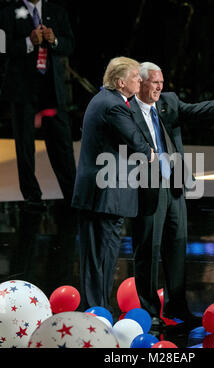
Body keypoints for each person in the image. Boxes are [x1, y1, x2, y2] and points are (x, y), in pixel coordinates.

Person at [130, 61, 214, 328]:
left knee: (177, 245)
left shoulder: (168, 101)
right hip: (147, 188)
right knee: (148, 249)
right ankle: (150, 311)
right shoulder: (127, 109)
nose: (159, 87)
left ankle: (177, 307)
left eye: (161, 82)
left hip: (174, 185)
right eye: (154, 82)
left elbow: (193, 111)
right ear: (141, 82)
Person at [71, 57, 153, 311]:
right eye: (135, 76)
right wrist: (148, 151)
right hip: (106, 195)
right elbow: (139, 145)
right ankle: (97, 314)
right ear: (120, 82)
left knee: (96, 259)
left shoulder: (103, 100)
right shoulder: (114, 106)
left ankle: (95, 311)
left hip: (98, 193)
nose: (140, 80)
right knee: (102, 259)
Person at [0, 0, 76, 209]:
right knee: (25, 145)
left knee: (61, 143)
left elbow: (70, 44)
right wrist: (28, 41)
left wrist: (55, 41)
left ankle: (73, 196)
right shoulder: (7, 13)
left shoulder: (57, 11)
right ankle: (32, 197)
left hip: (51, 90)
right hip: (23, 90)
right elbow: (1, 46)